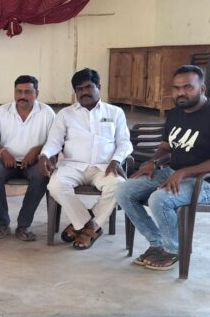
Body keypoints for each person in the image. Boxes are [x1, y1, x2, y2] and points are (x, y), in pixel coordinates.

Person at [116, 65, 210, 270]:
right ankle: (157, 243)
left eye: (188, 87)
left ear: (202, 89)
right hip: (172, 172)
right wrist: (154, 162)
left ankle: (174, 250)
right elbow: (167, 148)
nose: (181, 92)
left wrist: (184, 172)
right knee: (124, 190)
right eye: (176, 88)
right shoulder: (175, 113)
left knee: (159, 199)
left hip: (203, 182)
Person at [39, 68, 132, 250]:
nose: (84, 92)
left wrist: (116, 160)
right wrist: (44, 154)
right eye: (79, 89)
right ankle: (91, 225)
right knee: (55, 185)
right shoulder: (65, 114)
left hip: (104, 167)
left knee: (119, 186)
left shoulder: (115, 112)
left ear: (99, 87)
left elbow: (124, 142)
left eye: (88, 87)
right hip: (73, 166)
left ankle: (83, 226)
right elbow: (54, 141)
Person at [0, 75, 55, 241]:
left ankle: (24, 225)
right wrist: (2, 151)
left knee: (41, 175)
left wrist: (37, 151)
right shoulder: (2, 111)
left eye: (28, 92)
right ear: (14, 92)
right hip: (7, 161)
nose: (22, 96)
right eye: (19, 91)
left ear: (37, 93)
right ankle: (2, 223)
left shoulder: (47, 113)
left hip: (34, 163)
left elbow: (56, 141)